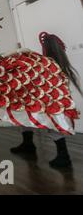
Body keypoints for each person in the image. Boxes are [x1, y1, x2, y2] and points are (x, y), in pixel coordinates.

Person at [10, 32, 82, 168]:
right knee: (26, 111)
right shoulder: (58, 63)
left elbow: (27, 52)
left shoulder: (47, 63)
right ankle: (28, 143)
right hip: (47, 99)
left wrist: (17, 51)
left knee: (53, 121)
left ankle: (63, 155)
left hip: (51, 102)